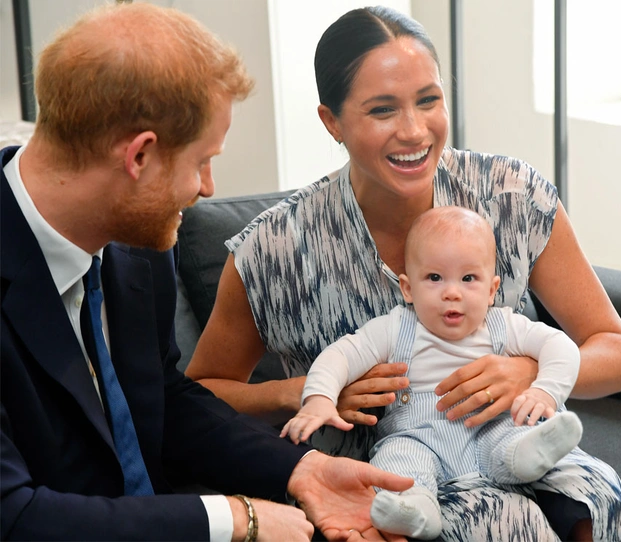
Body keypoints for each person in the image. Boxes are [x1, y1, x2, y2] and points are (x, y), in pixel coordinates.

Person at [186, 5, 621, 540]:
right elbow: (200, 394)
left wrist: (527, 374)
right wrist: (303, 392)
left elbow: (620, 356)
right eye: (382, 110)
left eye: (429, 100)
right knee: (499, 519)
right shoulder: (272, 249)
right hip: (384, 485)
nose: (414, 130)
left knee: (595, 494)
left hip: (514, 447)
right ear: (332, 122)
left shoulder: (511, 196)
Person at [0, 4, 416, 541]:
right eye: (202, 161)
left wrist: (301, 470)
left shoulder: (138, 247)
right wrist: (238, 519)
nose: (209, 188)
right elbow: (13, 517)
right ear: (140, 156)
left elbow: (164, 400)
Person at [282, 206, 586, 539]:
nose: (452, 292)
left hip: (488, 428)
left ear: (491, 289)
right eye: (435, 278)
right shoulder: (395, 328)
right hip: (417, 437)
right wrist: (319, 398)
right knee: (396, 462)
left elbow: (561, 346)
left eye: (468, 278)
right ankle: (415, 509)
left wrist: (545, 391)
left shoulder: (503, 326)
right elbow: (340, 354)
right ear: (408, 288)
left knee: (511, 437)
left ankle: (527, 457)